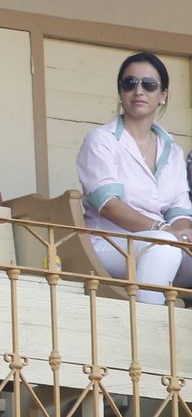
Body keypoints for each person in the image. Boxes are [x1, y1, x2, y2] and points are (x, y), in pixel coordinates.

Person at [76, 52, 192, 304]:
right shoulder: (102, 139)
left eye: (149, 85)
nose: (138, 91)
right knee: (163, 246)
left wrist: (182, 230)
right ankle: (146, 329)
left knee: (167, 246)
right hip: (108, 243)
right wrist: (163, 229)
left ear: (163, 95)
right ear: (121, 92)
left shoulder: (172, 150)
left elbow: (179, 209)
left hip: (162, 242)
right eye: (130, 83)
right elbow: (109, 205)